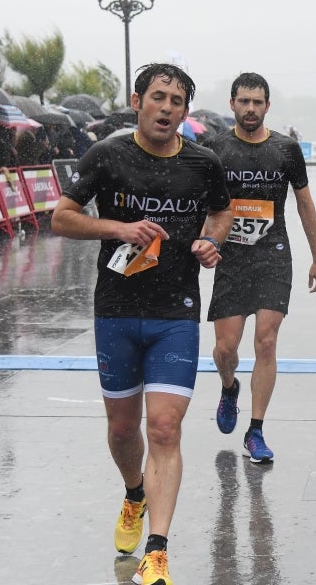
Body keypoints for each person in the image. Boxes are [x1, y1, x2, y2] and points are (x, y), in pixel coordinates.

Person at [51, 63, 232, 585]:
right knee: (124, 428)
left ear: (185, 110)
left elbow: (221, 212)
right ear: (138, 101)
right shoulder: (107, 155)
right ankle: (134, 491)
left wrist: (210, 240)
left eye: (177, 101)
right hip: (116, 311)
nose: (167, 108)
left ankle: (158, 547)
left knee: (164, 427)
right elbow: (62, 217)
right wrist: (118, 227)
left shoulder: (203, 163)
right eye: (158, 97)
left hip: (175, 312)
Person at [206, 72, 316, 463]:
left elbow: (305, 203)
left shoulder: (286, 149)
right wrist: (201, 244)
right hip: (231, 258)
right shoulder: (215, 149)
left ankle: (255, 430)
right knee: (225, 348)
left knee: (266, 342)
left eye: (258, 102)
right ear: (232, 104)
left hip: (273, 253)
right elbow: (199, 203)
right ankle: (229, 388)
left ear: (267, 106)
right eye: (244, 101)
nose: (251, 108)